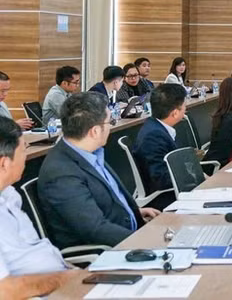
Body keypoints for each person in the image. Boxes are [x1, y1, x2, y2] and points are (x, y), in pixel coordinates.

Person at [37, 92, 159, 249]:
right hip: (108, 253)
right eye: (110, 122)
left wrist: (132, 212)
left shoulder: (90, 153)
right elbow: (95, 229)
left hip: (129, 232)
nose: (111, 126)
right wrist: (150, 242)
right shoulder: (61, 173)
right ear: (94, 131)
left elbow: (103, 201)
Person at [0, 116, 80, 298]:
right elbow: (4, 290)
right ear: (4, 163)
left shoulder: (9, 195)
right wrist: (65, 278)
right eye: (24, 149)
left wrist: (78, 275)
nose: (26, 156)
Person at [132, 84, 187, 195]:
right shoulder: (153, 136)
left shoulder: (156, 127)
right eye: (185, 106)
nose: (186, 109)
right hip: (167, 197)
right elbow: (161, 179)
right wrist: (192, 175)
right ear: (175, 113)